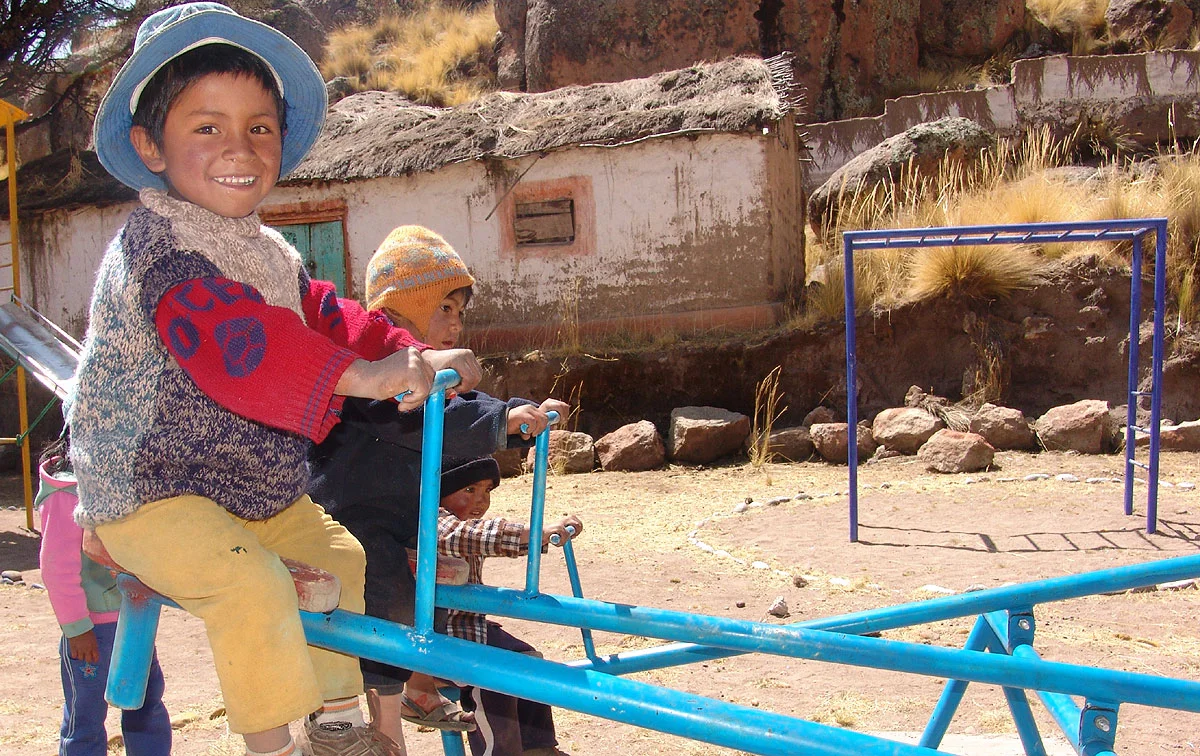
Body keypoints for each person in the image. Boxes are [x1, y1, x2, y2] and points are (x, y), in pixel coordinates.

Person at [73, 5, 479, 756]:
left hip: (247, 487)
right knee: (252, 585)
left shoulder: (269, 253)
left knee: (343, 558)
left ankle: (334, 726)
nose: (239, 147)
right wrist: (362, 375)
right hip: (148, 489)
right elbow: (240, 342)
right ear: (148, 146)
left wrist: (408, 351)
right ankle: (273, 746)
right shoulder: (158, 251)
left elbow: (327, 316)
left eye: (260, 127)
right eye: (207, 126)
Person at [308, 225, 567, 748]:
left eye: (460, 311)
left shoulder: (427, 374)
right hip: (350, 514)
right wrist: (504, 420)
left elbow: (453, 408)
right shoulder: (385, 370)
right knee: (389, 587)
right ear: (401, 309)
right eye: (444, 308)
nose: (456, 323)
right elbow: (443, 416)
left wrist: (519, 417)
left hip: (400, 515)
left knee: (433, 584)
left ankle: (418, 687)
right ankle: (386, 728)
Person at [38, 435, 172, 756]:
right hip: (92, 632)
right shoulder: (66, 491)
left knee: (146, 703)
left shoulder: (120, 479)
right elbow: (57, 566)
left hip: (135, 619)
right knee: (85, 717)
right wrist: (76, 628)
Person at [437, 457, 581, 756]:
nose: (480, 500)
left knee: (529, 663)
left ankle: (537, 747)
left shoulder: (464, 524)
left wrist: (544, 537)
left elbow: (489, 539)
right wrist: (535, 532)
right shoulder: (434, 522)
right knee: (495, 676)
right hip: (436, 634)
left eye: (487, 491)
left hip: (467, 627)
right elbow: (473, 537)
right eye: (469, 489)